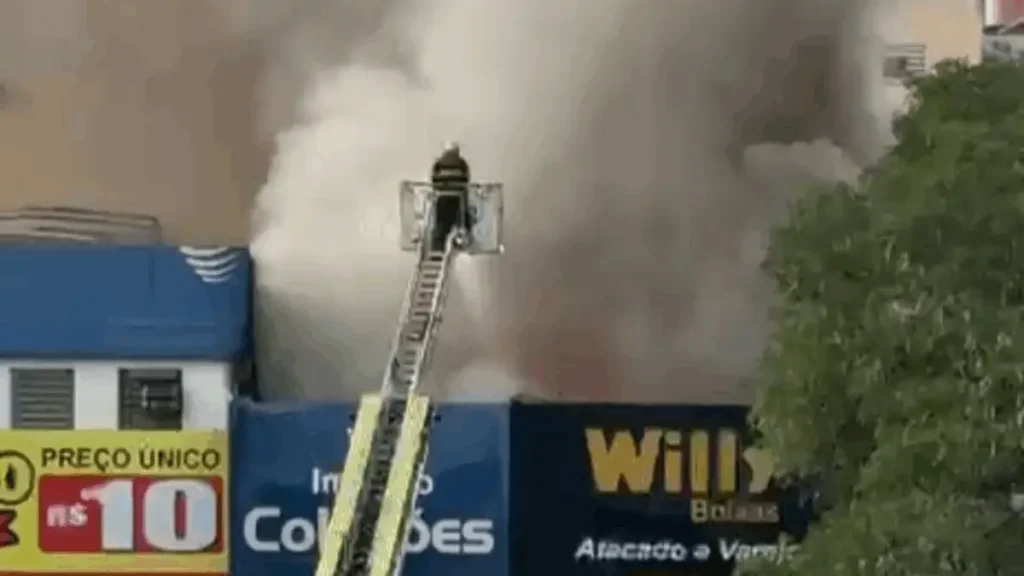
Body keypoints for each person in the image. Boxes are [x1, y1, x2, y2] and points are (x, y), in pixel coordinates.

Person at [429, 142, 471, 251]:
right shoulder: (462, 164)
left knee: (441, 224)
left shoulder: (438, 164)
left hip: (442, 198)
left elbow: (433, 181)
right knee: (459, 221)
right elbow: (466, 181)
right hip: (457, 199)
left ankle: (438, 246)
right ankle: (462, 240)